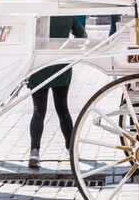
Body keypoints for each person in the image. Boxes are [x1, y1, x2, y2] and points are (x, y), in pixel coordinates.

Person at [26, 13, 86, 168]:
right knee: (63, 109)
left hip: (39, 64)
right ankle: (70, 147)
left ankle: (34, 151)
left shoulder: (37, 14)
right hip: (61, 63)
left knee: (38, 110)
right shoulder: (65, 13)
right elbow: (81, 34)